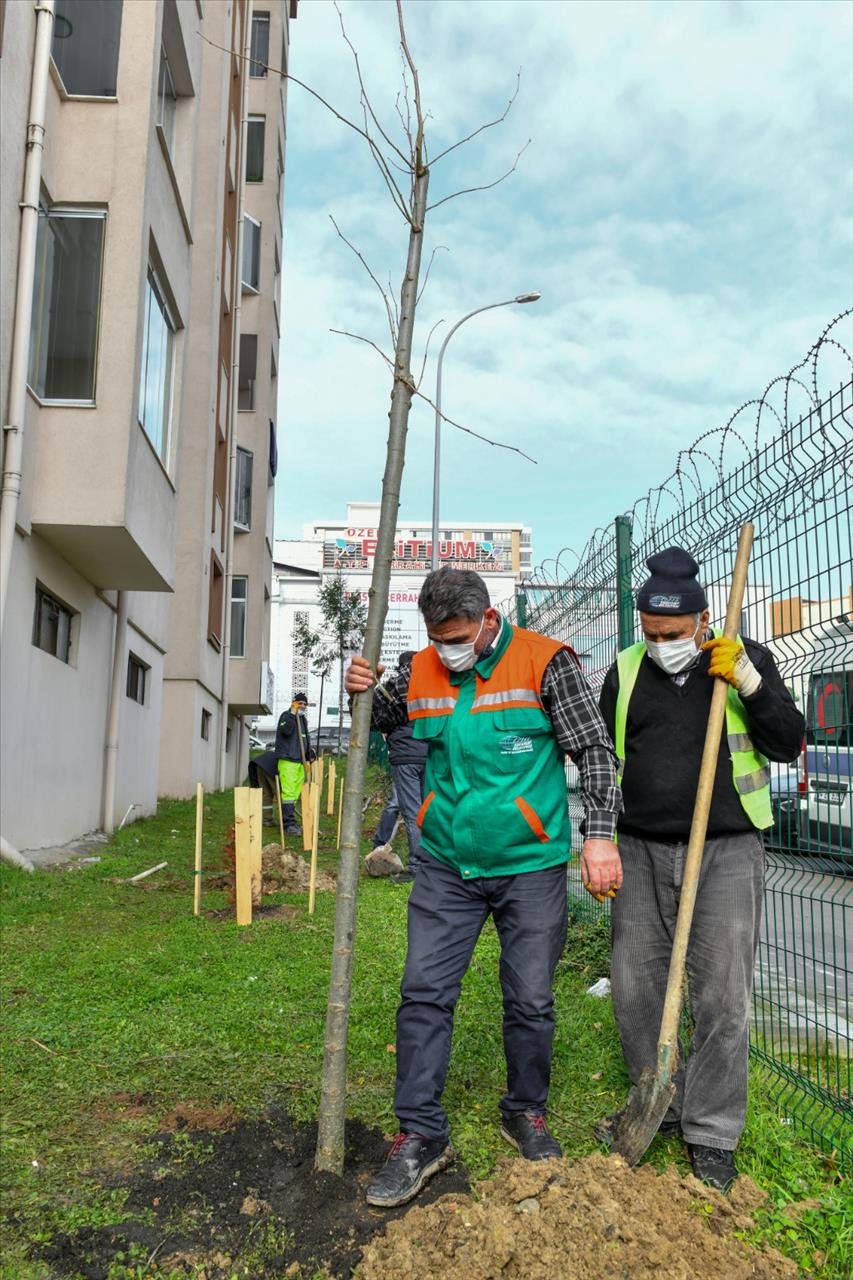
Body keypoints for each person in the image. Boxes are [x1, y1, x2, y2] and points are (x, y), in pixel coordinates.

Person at [344, 567, 622, 1207]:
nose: (449, 649)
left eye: (460, 636)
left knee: (529, 997)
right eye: (438, 638)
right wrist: (361, 688)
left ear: (489, 619)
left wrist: (600, 835)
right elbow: (383, 713)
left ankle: (525, 1110)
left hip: (528, 864)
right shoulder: (419, 670)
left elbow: (596, 752)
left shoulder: (545, 663)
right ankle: (421, 1133)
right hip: (445, 863)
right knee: (423, 993)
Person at [597, 546, 805, 1192]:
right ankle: (656, 1101)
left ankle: (710, 1131)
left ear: (703, 620)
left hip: (725, 849)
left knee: (721, 995)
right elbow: (603, 760)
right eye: (651, 634)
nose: (662, 645)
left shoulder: (744, 661)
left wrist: (749, 683)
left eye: (674, 634)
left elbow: (788, 741)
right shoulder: (626, 669)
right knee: (636, 988)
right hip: (639, 846)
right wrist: (599, 835)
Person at [274, 692, 315, 835]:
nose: (302, 706)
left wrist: (309, 753)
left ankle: (291, 822)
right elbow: (286, 732)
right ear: (294, 703)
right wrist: (292, 714)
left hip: (300, 761)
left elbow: (304, 739)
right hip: (288, 759)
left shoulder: (303, 720)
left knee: (296, 792)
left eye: (304, 704)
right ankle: (289, 825)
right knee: (289, 793)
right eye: (300, 703)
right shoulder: (286, 717)